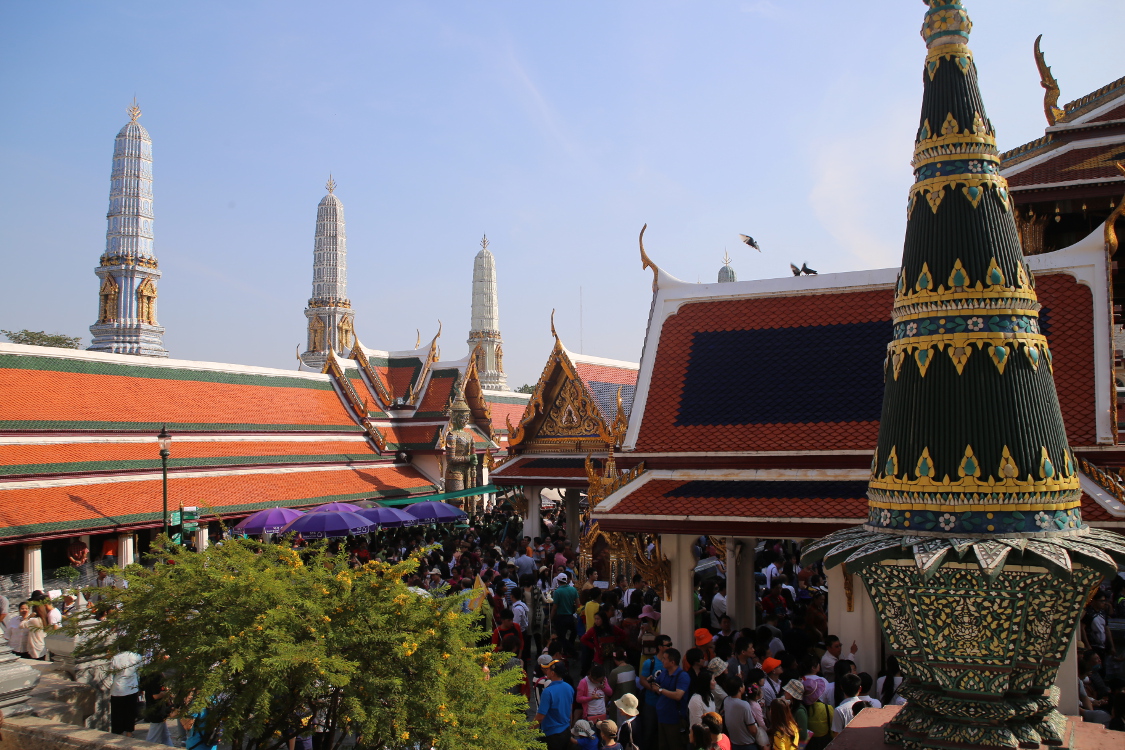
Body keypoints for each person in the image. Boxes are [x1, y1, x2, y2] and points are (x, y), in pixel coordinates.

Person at [651, 647, 691, 750]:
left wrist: (660, 690)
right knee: (662, 746)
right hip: (661, 716)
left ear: (672, 662)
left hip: (674, 719)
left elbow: (678, 695)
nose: (662, 661)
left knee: (675, 745)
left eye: (664, 658)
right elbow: (656, 684)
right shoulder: (664, 672)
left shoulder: (682, 676)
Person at [637, 633, 671, 750]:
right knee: (649, 732)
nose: (670, 647)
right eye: (668, 645)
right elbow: (642, 680)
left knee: (664, 734)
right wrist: (653, 688)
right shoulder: (650, 663)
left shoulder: (671, 662)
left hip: (666, 703)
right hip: (651, 703)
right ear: (660, 647)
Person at [535, 655, 575, 750]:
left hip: (552, 735)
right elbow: (570, 710)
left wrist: (528, 731)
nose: (546, 671)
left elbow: (540, 717)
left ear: (552, 673)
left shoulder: (548, 692)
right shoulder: (569, 687)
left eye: (548, 669)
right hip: (566, 731)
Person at [109, 650, 142, 736]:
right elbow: (140, 671)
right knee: (130, 711)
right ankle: (129, 732)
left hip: (118, 688)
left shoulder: (115, 658)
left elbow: (111, 674)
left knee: (117, 713)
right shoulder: (137, 656)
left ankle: (118, 733)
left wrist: (110, 685)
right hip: (132, 687)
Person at [720, 676, 759, 750]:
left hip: (734, 744)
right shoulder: (744, 705)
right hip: (748, 745)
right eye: (743, 684)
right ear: (740, 689)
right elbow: (753, 730)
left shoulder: (726, 701)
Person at [550, 573, 579, 656]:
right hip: (570, 616)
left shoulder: (557, 592)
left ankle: (572, 651)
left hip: (561, 617)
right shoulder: (573, 590)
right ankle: (569, 649)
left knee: (561, 637)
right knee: (573, 632)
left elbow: (554, 607)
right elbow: (578, 604)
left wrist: (550, 618)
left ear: (558, 581)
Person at [608, 649, 638, 723]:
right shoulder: (631, 668)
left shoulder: (615, 672)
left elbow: (610, 690)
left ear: (614, 659)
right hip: (631, 703)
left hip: (619, 705)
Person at [830, 674, 863, 738]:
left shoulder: (839, 710)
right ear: (860, 688)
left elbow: (836, 735)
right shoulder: (867, 706)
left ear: (841, 687)